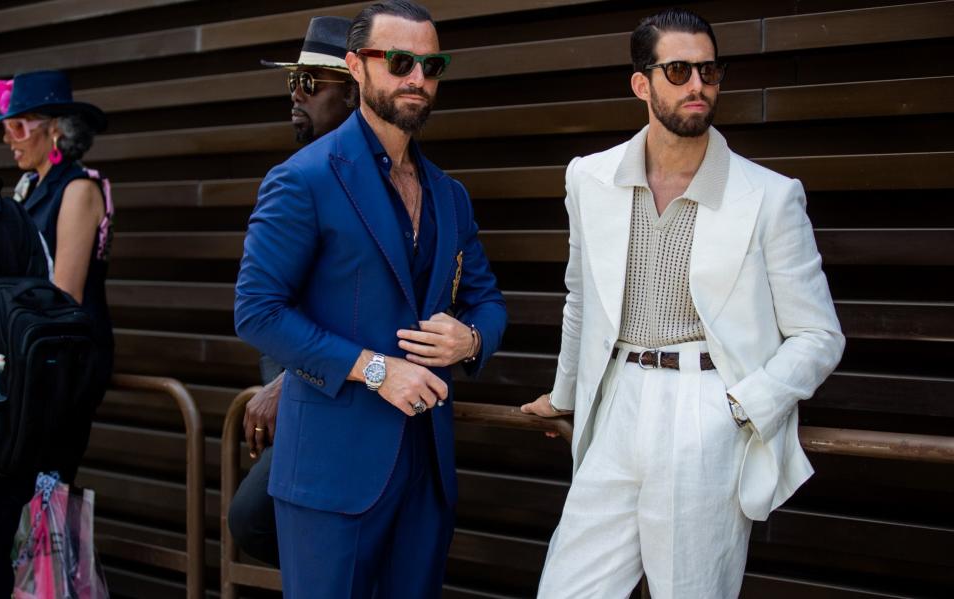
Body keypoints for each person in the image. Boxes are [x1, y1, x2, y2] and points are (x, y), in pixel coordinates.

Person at [520, 9, 845, 598]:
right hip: (616, 403)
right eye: (678, 70)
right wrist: (567, 397)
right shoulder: (588, 179)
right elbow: (581, 299)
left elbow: (819, 335)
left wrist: (744, 406)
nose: (698, 85)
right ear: (641, 84)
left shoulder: (769, 196)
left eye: (709, 71)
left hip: (706, 407)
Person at [234, 1, 506, 597]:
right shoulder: (302, 178)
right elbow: (257, 310)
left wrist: (473, 338)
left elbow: (487, 300)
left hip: (426, 471)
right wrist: (375, 369)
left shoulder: (450, 195)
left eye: (430, 66)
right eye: (400, 61)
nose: (417, 78)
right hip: (332, 474)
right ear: (357, 66)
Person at [227, 15, 358, 568]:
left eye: (311, 83)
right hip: (303, 402)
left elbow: (367, 301)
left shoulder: (372, 179)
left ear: (354, 93)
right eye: (293, 82)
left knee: (254, 519)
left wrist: (292, 380)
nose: (296, 97)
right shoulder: (299, 175)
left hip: (341, 401)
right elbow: (264, 305)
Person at [0, 70, 113, 597]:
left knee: (47, 488)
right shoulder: (26, 188)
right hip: (23, 366)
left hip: (60, 366)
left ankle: (53, 587)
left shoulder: (80, 189)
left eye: (18, 126)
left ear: (54, 130)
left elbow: (63, 293)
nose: (8, 138)